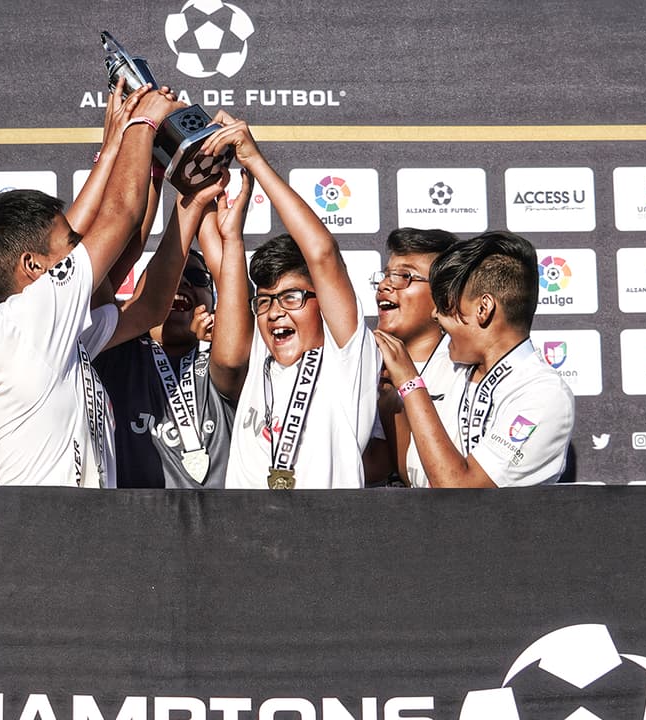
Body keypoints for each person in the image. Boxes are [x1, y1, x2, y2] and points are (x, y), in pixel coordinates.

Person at [0, 82, 214, 487]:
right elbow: (119, 217)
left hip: (71, 528)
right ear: (33, 266)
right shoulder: (30, 317)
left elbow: (148, 307)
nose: (82, 249)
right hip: (46, 531)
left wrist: (182, 196)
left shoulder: (37, 333)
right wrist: (143, 122)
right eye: (72, 246)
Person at [200, 113, 382, 490]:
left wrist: (253, 160)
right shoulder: (257, 356)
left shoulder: (346, 359)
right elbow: (221, 261)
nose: (275, 311)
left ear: (322, 301)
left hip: (321, 543)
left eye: (291, 297)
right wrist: (193, 170)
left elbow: (323, 255)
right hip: (245, 541)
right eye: (264, 301)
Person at [374, 231, 575, 487]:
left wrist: (410, 383)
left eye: (447, 306)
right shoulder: (456, 367)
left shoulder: (542, 395)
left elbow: (461, 492)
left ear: (483, 309)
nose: (437, 315)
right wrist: (391, 398)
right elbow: (416, 477)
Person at [94, 180, 254, 488]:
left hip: (228, 529)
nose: (181, 285)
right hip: (135, 528)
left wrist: (202, 189)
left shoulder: (223, 355)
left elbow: (234, 288)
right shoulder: (113, 353)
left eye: (196, 278)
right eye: (168, 279)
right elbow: (105, 258)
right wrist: (152, 175)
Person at [363, 227, 464, 487]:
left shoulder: (464, 373)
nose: (385, 286)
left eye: (404, 276)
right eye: (386, 276)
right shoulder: (359, 362)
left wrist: (394, 399)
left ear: (443, 295)